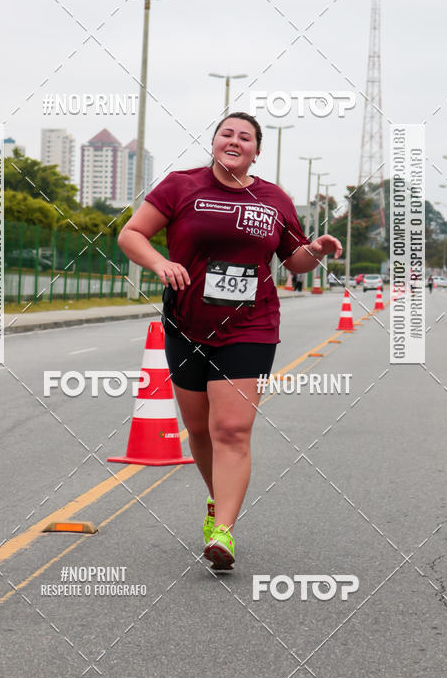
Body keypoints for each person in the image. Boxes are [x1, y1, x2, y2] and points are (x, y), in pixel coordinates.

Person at [117, 112, 342, 570]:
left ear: (256, 151)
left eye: (245, 137)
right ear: (215, 142)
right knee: (200, 430)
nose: (235, 141)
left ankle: (223, 530)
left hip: (250, 325)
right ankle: (217, 501)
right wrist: (160, 264)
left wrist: (315, 251)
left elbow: (294, 260)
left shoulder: (273, 199)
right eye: (227, 134)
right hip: (186, 323)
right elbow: (131, 234)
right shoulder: (181, 186)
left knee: (232, 430)